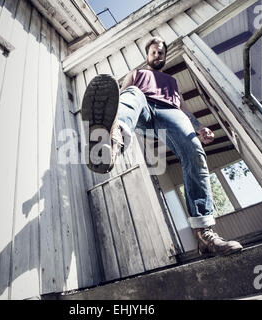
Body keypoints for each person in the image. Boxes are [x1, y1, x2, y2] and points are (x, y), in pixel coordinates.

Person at [81, 37, 242, 257]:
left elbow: (184, 110)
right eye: (154, 53)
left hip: (171, 113)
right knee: (133, 93)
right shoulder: (136, 74)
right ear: (147, 55)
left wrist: (199, 128)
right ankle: (111, 143)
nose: (157, 56)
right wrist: (118, 116)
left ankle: (205, 233)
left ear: (164, 57)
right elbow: (123, 100)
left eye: (161, 53)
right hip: (143, 107)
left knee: (195, 153)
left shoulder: (172, 82)